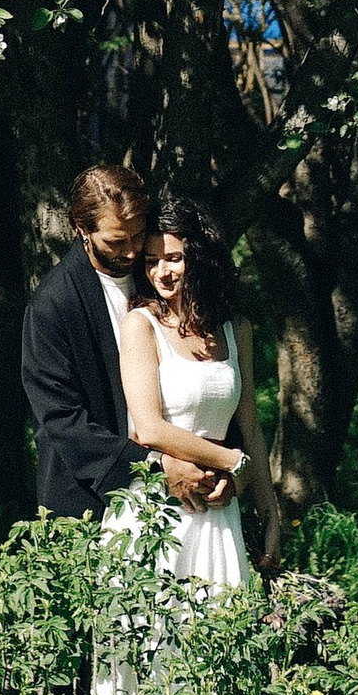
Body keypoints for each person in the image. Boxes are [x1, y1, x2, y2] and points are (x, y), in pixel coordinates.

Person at [21, 161, 221, 522]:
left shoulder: (155, 274)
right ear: (81, 228)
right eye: (116, 241)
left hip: (187, 489)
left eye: (137, 235)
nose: (131, 252)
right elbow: (62, 421)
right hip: (90, 503)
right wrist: (156, 465)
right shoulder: (53, 305)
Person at [113, 189, 282, 588]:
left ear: (200, 260)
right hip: (159, 506)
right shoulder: (141, 325)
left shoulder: (235, 329)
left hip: (219, 509)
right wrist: (231, 461)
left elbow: (252, 428)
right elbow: (149, 429)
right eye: (151, 262)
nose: (161, 273)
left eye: (174, 258)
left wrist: (270, 513)